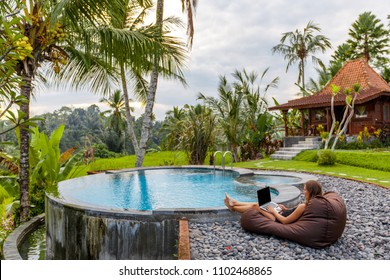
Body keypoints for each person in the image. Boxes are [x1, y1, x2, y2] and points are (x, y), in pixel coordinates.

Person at [224, 180, 323, 224]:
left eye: (305, 190)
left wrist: (273, 211)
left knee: (257, 206)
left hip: (277, 219)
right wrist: (286, 209)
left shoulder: (303, 206)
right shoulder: (311, 204)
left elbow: (285, 221)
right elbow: (294, 214)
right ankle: (235, 202)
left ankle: (233, 207)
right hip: (281, 213)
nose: (303, 191)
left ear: (310, 192)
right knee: (260, 203)